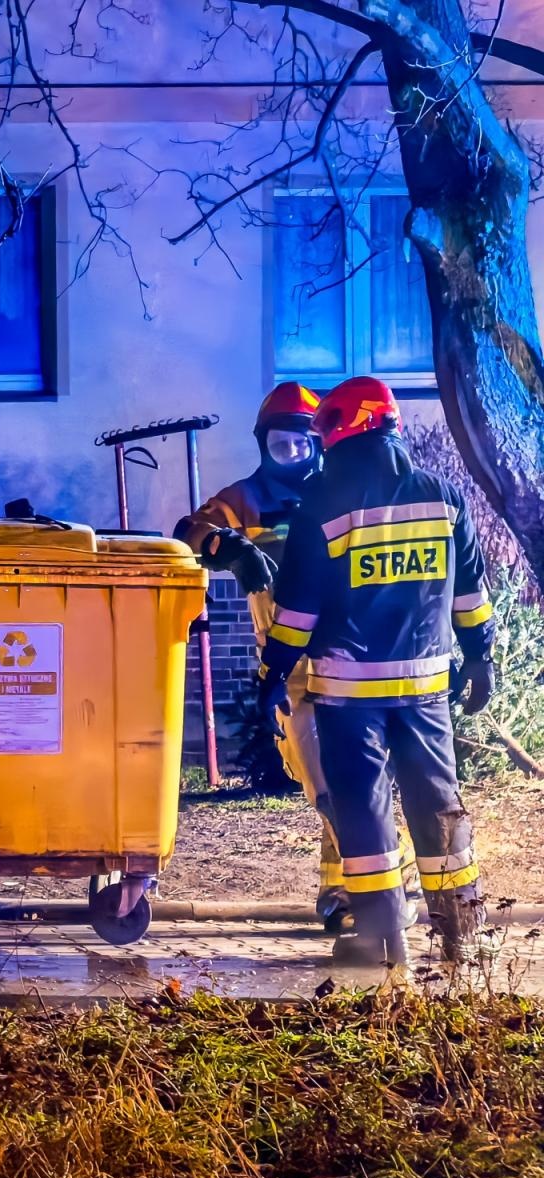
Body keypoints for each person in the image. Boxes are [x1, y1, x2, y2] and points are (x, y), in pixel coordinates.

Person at [257, 376, 495, 965]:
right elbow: (471, 593)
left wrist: (272, 677)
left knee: (363, 808)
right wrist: (481, 657)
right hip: (424, 690)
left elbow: (297, 614)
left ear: (341, 428)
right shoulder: (443, 497)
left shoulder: (322, 505)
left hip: (347, 696)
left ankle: (381, 941)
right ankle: (461, 934)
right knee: (437, 801)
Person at [174, 382, 413, 930]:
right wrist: (231, 547)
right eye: (282, 445)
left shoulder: (339, 492)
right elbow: (189, 531)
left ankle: (358, 893)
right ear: (264, 445)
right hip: (290, 673)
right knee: (323, 781)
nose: (295, 456)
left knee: (349, 781)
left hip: (348, 662)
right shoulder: (247, 499)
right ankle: (371, 885)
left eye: (304, 444)